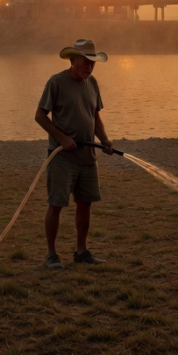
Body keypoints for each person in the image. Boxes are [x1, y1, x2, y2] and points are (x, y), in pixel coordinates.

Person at [35, 38, 115, 270]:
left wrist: (105, 140)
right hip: (62, 157)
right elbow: (40, 116)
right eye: (85, 62)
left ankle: (81, 251)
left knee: (85, 204)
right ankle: (51, 255)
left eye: (93, 63)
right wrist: (62, 138)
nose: (89, 67)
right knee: (56, 204)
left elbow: (95, 117)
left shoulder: (93, 84)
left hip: (88, 157)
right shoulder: (56, 83)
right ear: (73, 60)